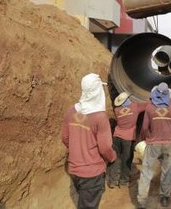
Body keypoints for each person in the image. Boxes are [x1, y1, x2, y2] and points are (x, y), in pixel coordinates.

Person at [61, 73, 117, 209]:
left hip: (74, 170)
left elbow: (65, 138)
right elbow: (105, 148)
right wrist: (112, 158)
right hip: (92, 174)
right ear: (98, 91)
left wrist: (77, 150)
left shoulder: (71, 111)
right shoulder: (100, 117)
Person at [137, 82, 171, 209]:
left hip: (153, 144)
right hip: (168, 144)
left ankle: (142, 201)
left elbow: (144, 128)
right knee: (167, 171)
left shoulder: (149, 108)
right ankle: (164, 197)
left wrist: (146, 138)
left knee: (146, 172)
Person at [107, 92, 148, 188]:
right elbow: (148, 104)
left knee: (115, 159)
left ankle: (113, 181)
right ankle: (123, 182)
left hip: (116, 136)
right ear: (128, 99)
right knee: (127, 160)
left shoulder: (116, 110)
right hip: (128, 138)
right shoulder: (135, 107)